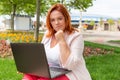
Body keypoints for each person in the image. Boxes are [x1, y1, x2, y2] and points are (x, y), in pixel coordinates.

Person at [22, 3, 92, 80]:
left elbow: (70, 65)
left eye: (60, 19)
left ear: (66, 19)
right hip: (50, 70)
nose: (56, 23)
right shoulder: (47, 34)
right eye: (53, 20)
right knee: (28, 76)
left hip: (70, 73)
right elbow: (41, 58)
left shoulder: (76, 36)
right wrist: (28, 67)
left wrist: (62, 40)